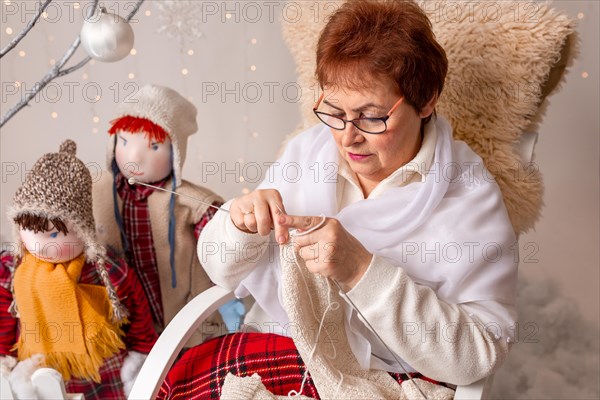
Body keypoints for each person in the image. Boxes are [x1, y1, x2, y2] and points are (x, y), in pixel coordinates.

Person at [158, 1, 517, 398]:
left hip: (387, 375)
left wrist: (362, 270)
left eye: (371, 117)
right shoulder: (306, 153)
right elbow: (218, 266)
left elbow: (479, 353)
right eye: (334, 111)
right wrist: (239, 227)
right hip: (278, 348)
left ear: (427, 99)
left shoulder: (469, 195)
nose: (348, 137)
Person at [0, 140, 157, 399]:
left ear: (82, 232)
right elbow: (4, 320)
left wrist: (141, 353)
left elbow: (136, 313)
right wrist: (5, 357)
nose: (39, 244)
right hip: (38, 373)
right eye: (29, 231)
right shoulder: (12, 270)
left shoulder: (104, 271)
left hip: (101, 371)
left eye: (52, 235)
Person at [92, 84, 229, 345]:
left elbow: (223, 244)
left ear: (175, 152)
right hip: (123, 320)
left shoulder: (189, 202)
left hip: (181, 317)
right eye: (124, 141)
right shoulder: (97, 191)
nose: (134, 157)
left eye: (154, 147)